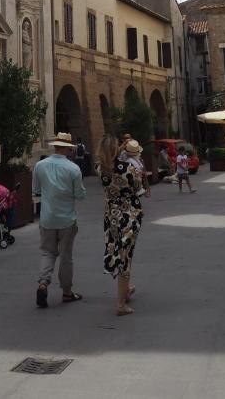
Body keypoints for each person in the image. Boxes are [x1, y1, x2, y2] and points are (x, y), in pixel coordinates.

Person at [33, 132, 86, 308]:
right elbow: (80, 194)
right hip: (67, 219)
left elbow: (36, 190)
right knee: (65, 256)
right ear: (68, 148)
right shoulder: (73, 169)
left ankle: (43, 283)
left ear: (55, 145)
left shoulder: (40, 165)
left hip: (47, 217)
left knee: (47, 252)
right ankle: (67, 292)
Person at [98, 134, 143, 316]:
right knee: (126, 255)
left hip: (111, 216)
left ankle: (126, 288)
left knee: (117, 250)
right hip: (129, 215)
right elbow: (139, 190)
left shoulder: (100, 169)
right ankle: (121, 304)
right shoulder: (129, 169)